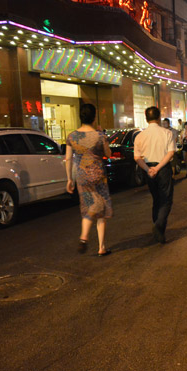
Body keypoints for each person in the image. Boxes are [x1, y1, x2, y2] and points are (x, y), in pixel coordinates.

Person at [65, 103, 113, 256]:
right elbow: (108, 154)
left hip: (82, 176)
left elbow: (68, 159)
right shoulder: (99, 135)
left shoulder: (72, 136)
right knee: (101, 209)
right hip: (98, 175)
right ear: (94, 117)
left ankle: (84, 237)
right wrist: (102, 136)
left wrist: (69, 179)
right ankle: (101, 247)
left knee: (88, 206)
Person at [134, 106, 176, 243]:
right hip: (163, 168)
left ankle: (159, 233)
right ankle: (158, 226)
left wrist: (148, 169)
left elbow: (137, 157)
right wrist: (157, 168)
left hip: (148, 170)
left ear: (146, 119)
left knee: (156, 199)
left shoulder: (140, 136)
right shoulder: (167, 133)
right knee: (166, 200)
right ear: (159, 118)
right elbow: (170, 153)